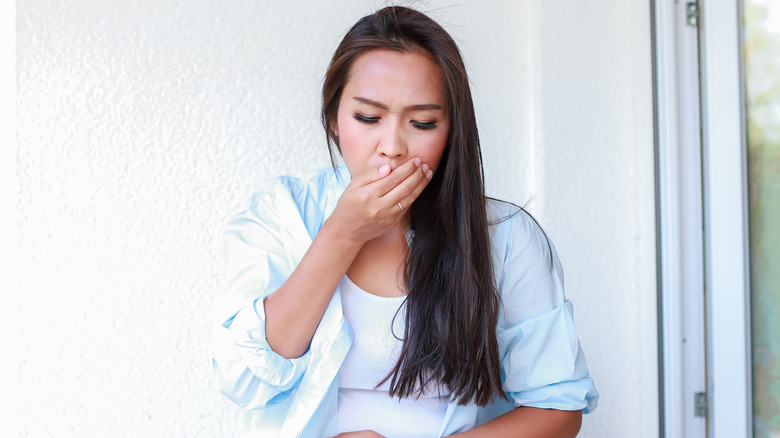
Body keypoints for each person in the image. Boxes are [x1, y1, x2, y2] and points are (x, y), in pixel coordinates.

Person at [211, 6, 598, 437]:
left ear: (451, 130)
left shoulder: (504, 236)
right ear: (334, 118)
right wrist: (342, 232)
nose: (392, 147)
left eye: (422, 122)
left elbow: (559, 410)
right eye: (368, 118)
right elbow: (243, 380)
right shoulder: (279, 213)